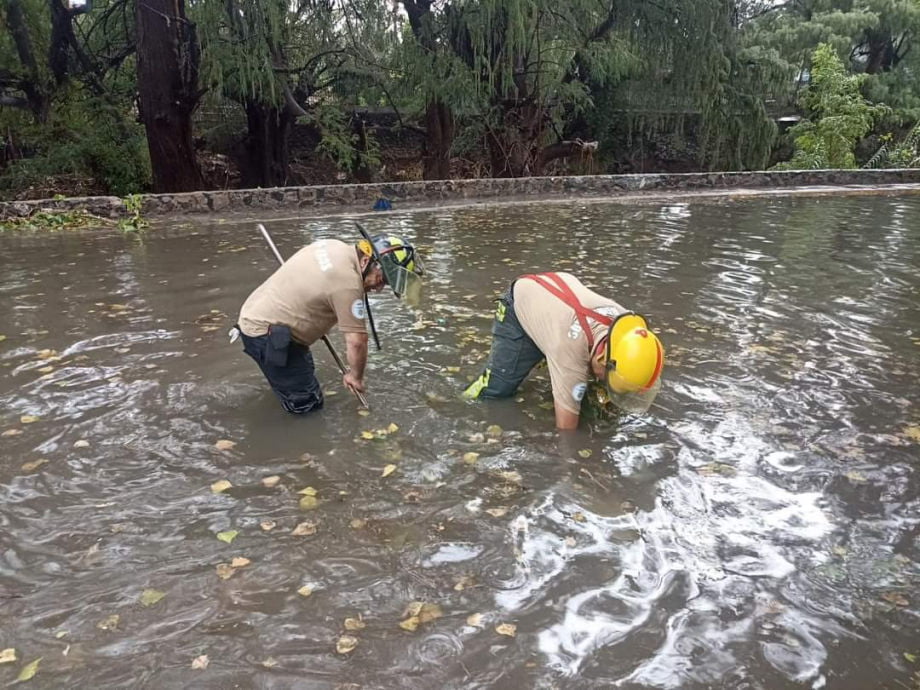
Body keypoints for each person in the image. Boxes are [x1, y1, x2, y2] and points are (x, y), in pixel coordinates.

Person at [235, 232, 423, 414]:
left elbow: (312, 281)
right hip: (266, 333)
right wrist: (355, 377)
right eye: (381, 279)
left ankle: (284, 390)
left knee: (301, 373)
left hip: (257, 309)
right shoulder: (348, 284)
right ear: (367, 261)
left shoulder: (334, 246)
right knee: (307, 403)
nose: (379, 288)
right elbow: (357, 341)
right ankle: (299, 438)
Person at [462, 272, 664, 430]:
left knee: (586, 394)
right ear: (603, 358)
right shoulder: (570, 354)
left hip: (559, 296)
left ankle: (547, 349)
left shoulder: (628, 328)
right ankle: (461, 401)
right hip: (521, 302)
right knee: (497, 390)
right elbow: (566, 430)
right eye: (607, 378)